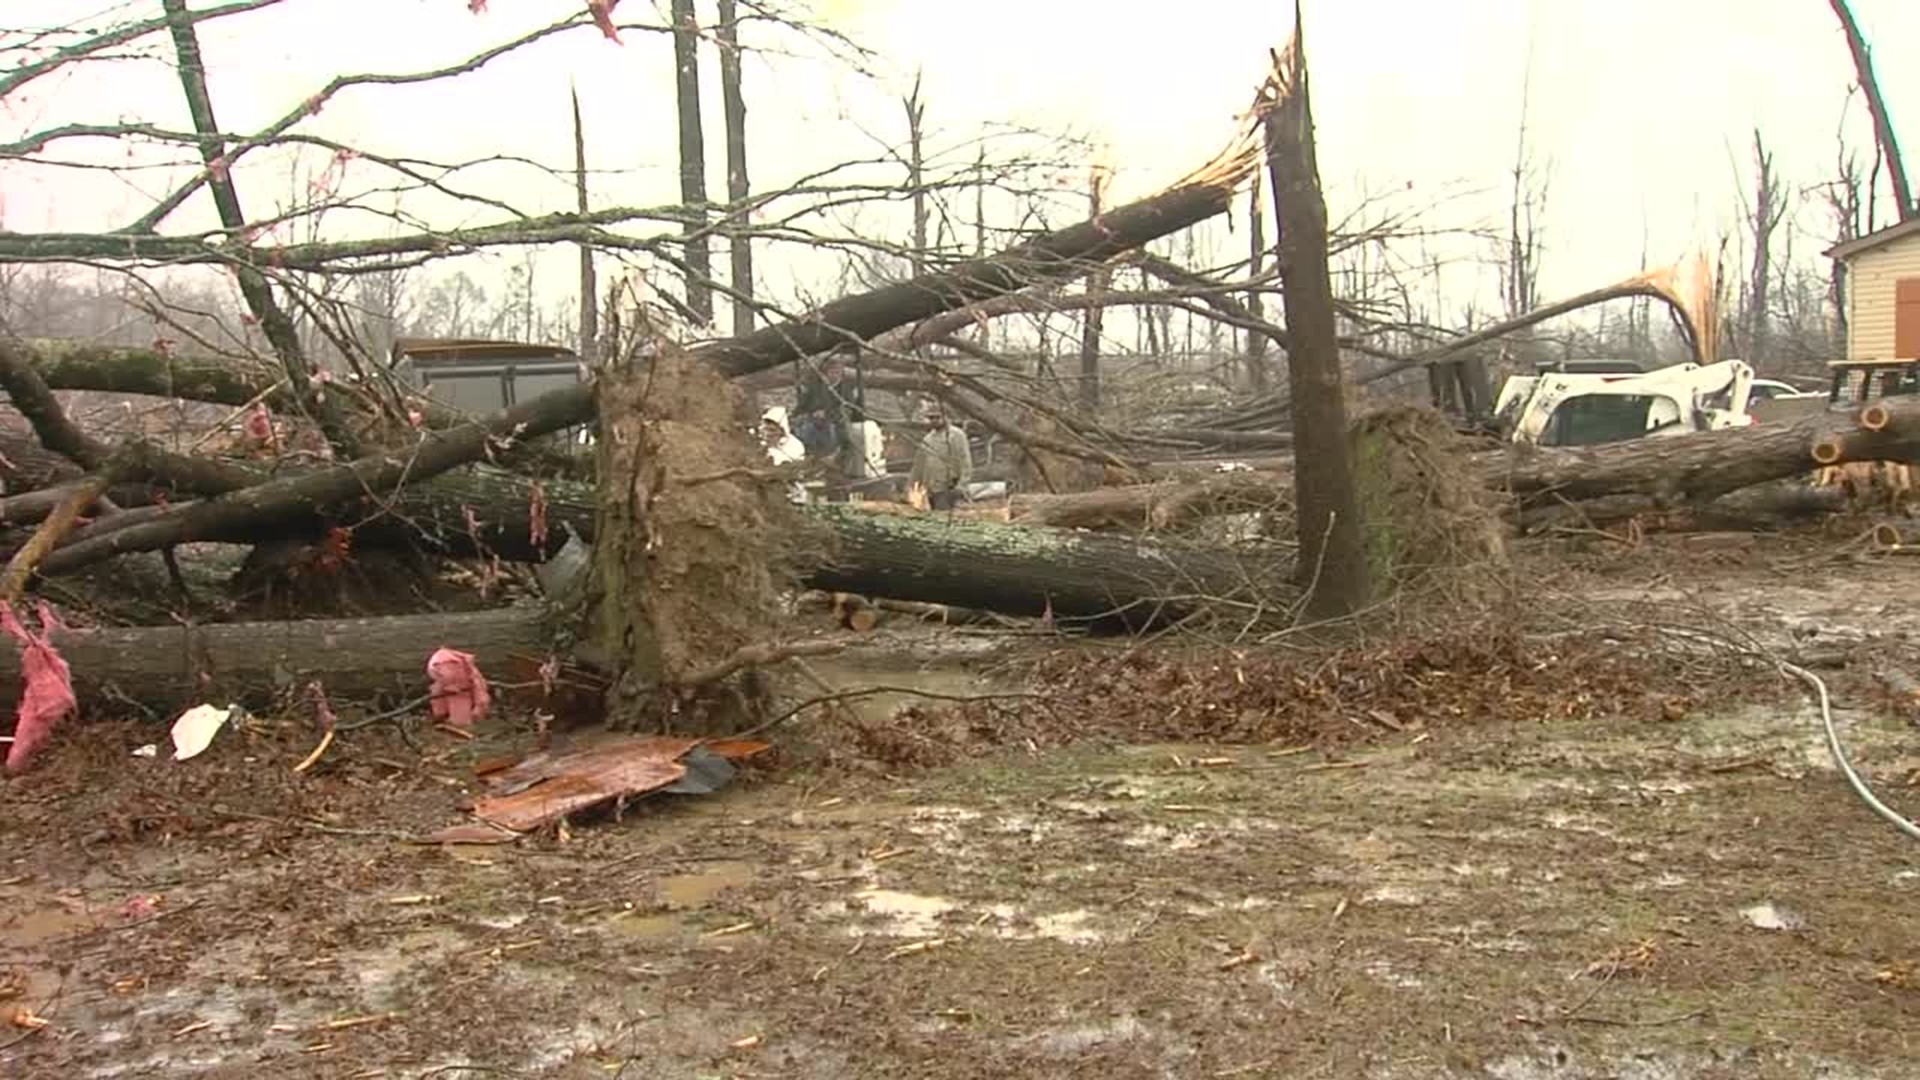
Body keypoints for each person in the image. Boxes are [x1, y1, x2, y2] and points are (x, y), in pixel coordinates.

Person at [909, 404, 972, 511]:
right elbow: (919, 465)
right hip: (930, 489)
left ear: (945, 417)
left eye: (937, 417)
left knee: (944, 517)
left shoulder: (955, 435)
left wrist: (962, 485)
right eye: (931, 418)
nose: (934, 420)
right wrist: (913, 485)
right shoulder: (928, 438)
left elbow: (964, 461)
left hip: (948, 487)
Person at [759, 406, 808, 504]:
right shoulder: (760, 445)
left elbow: (791, 466)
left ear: (781, 430)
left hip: (789, 487)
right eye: (767, 429)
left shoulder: (794, 445)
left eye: (773, 430)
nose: (769, 434)